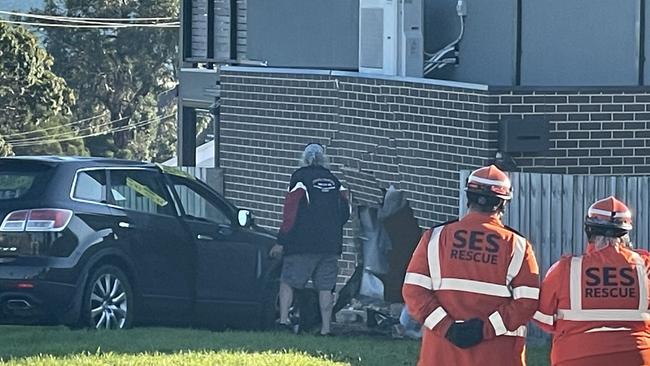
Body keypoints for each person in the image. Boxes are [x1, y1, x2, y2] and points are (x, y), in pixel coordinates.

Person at [402, 164, 540, 365]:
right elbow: (527, 303)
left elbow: (413, 292)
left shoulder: (435, 237)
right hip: (498, 355)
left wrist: (447, 328)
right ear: (503, 204)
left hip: (441, 354)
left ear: (469, 197)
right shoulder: (518, 246)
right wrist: (485, 329)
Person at [534, 196, 650, 366]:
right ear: (626, 232)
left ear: (589, 231)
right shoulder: (645, 266)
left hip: (575, 356)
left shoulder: (565, 268)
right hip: (637, 356)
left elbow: (543, 317)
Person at [270, 143, 350, 336]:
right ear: (324, 159)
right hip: (330, 245)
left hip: (302, 244)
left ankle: (283, 321)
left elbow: (291, 212)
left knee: (288, 281)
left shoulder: (299, 178)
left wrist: (282, 240)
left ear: (304, 159)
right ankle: (325, 329)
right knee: (325, 287)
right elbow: (346, 211)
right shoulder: (335, 181)